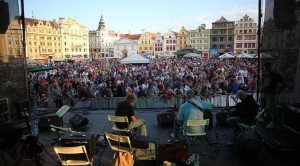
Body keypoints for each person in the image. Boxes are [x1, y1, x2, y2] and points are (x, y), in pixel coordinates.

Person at [261, 62, 286, 129]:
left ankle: (273, 122)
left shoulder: (276, 75)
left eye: (267, 67)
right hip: (265, 94)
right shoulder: (265, 75)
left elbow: (284, 84)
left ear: (271, 67)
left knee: (272, 109)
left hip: (271, 95)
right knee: (265, 107)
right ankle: (267, 119)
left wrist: (278, 92)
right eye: (265, 67)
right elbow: (265, 84)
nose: (266, 68)